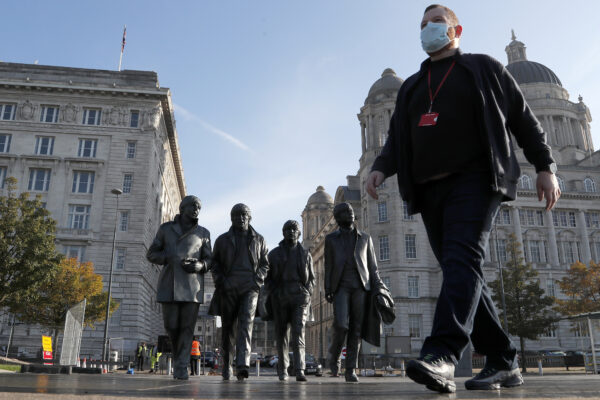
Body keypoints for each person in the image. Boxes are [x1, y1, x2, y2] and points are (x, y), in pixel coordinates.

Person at [366, 4, 561, 394]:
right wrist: (381, 166)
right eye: (423, 25)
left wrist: (546, 166)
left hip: (476, 179)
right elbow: (397, 138)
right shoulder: (412, 87)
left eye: (436, 22)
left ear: (456, 30)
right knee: (464, 270)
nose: (428, 29)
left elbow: (523, 118)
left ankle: (442, 354)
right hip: (428, 189)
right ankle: (504, 360)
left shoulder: (483, 67)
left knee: (461, 259)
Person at [146, 195, 212, 380]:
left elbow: (209, 259)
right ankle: (178, 358)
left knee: (187, 328)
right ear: (182, 208)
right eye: (192, 206)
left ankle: (182, 365)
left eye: (198, 207)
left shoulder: (203, 233)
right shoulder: (166, 229)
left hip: (192, 287)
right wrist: (169, 256)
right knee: (171, 326)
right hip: (170, 284)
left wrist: (201, 266)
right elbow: (151, 254)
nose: (196, 210)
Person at [324, 202, 387, 383]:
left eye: (351, 211)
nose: (350, 213)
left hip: (361, 287)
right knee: (342, 325)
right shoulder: (331, 239)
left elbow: (373, 268)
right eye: (345, 212)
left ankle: (350, 369)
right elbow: (328, 266)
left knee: (356, 330)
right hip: (341, 287)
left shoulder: (365, 238)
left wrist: (379, 288)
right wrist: (328, 289)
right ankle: (334, 355)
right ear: (337, 217)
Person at [208, 203, 269, 381]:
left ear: (249, 218)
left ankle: (242, 365)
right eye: (236, 215)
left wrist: (257, 281)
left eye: (244, 215)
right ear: (231, 218)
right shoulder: (222, 240)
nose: (240, 218)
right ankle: (226, 366)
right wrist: (222, 281)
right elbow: (215, 264)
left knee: (246, 323)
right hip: (228, 287)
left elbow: (265, 264)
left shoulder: (260, 239)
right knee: (228, 329)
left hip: (250, 287)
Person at [265, 220, 315, 381]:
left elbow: (312, 279)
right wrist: (275, 292)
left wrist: (308, 293)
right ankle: (283, 369)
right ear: (283, 232)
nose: (291, 232)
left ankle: (300, 369)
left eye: (294, 229)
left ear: (299, 233)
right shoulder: (273, 254)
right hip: (281, 297)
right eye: (288, 229)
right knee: (282, 335)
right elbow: (267, 278)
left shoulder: (306, 254)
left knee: (298, 332)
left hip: (300, 296)